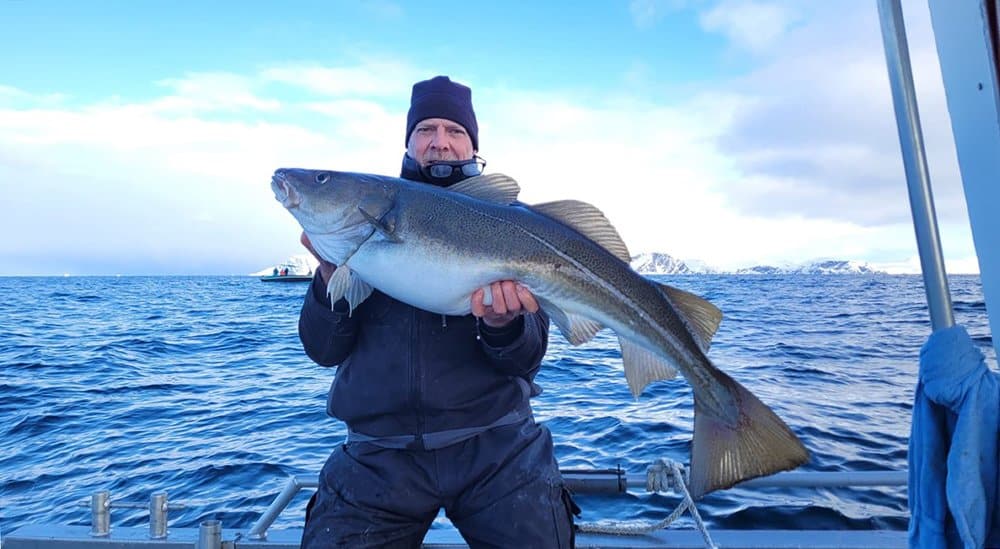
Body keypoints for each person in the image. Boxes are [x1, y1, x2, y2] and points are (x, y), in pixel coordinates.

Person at [297, 75, 578, 548]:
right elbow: (323, 349)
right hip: (378, 453)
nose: (440, 143)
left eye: (454, 131)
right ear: (408, 142)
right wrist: (328, 279)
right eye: (426, 129)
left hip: (497, 445)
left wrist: (502, 325)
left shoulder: (511, 222)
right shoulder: (364, 227)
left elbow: (524, 361)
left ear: (472, 146)